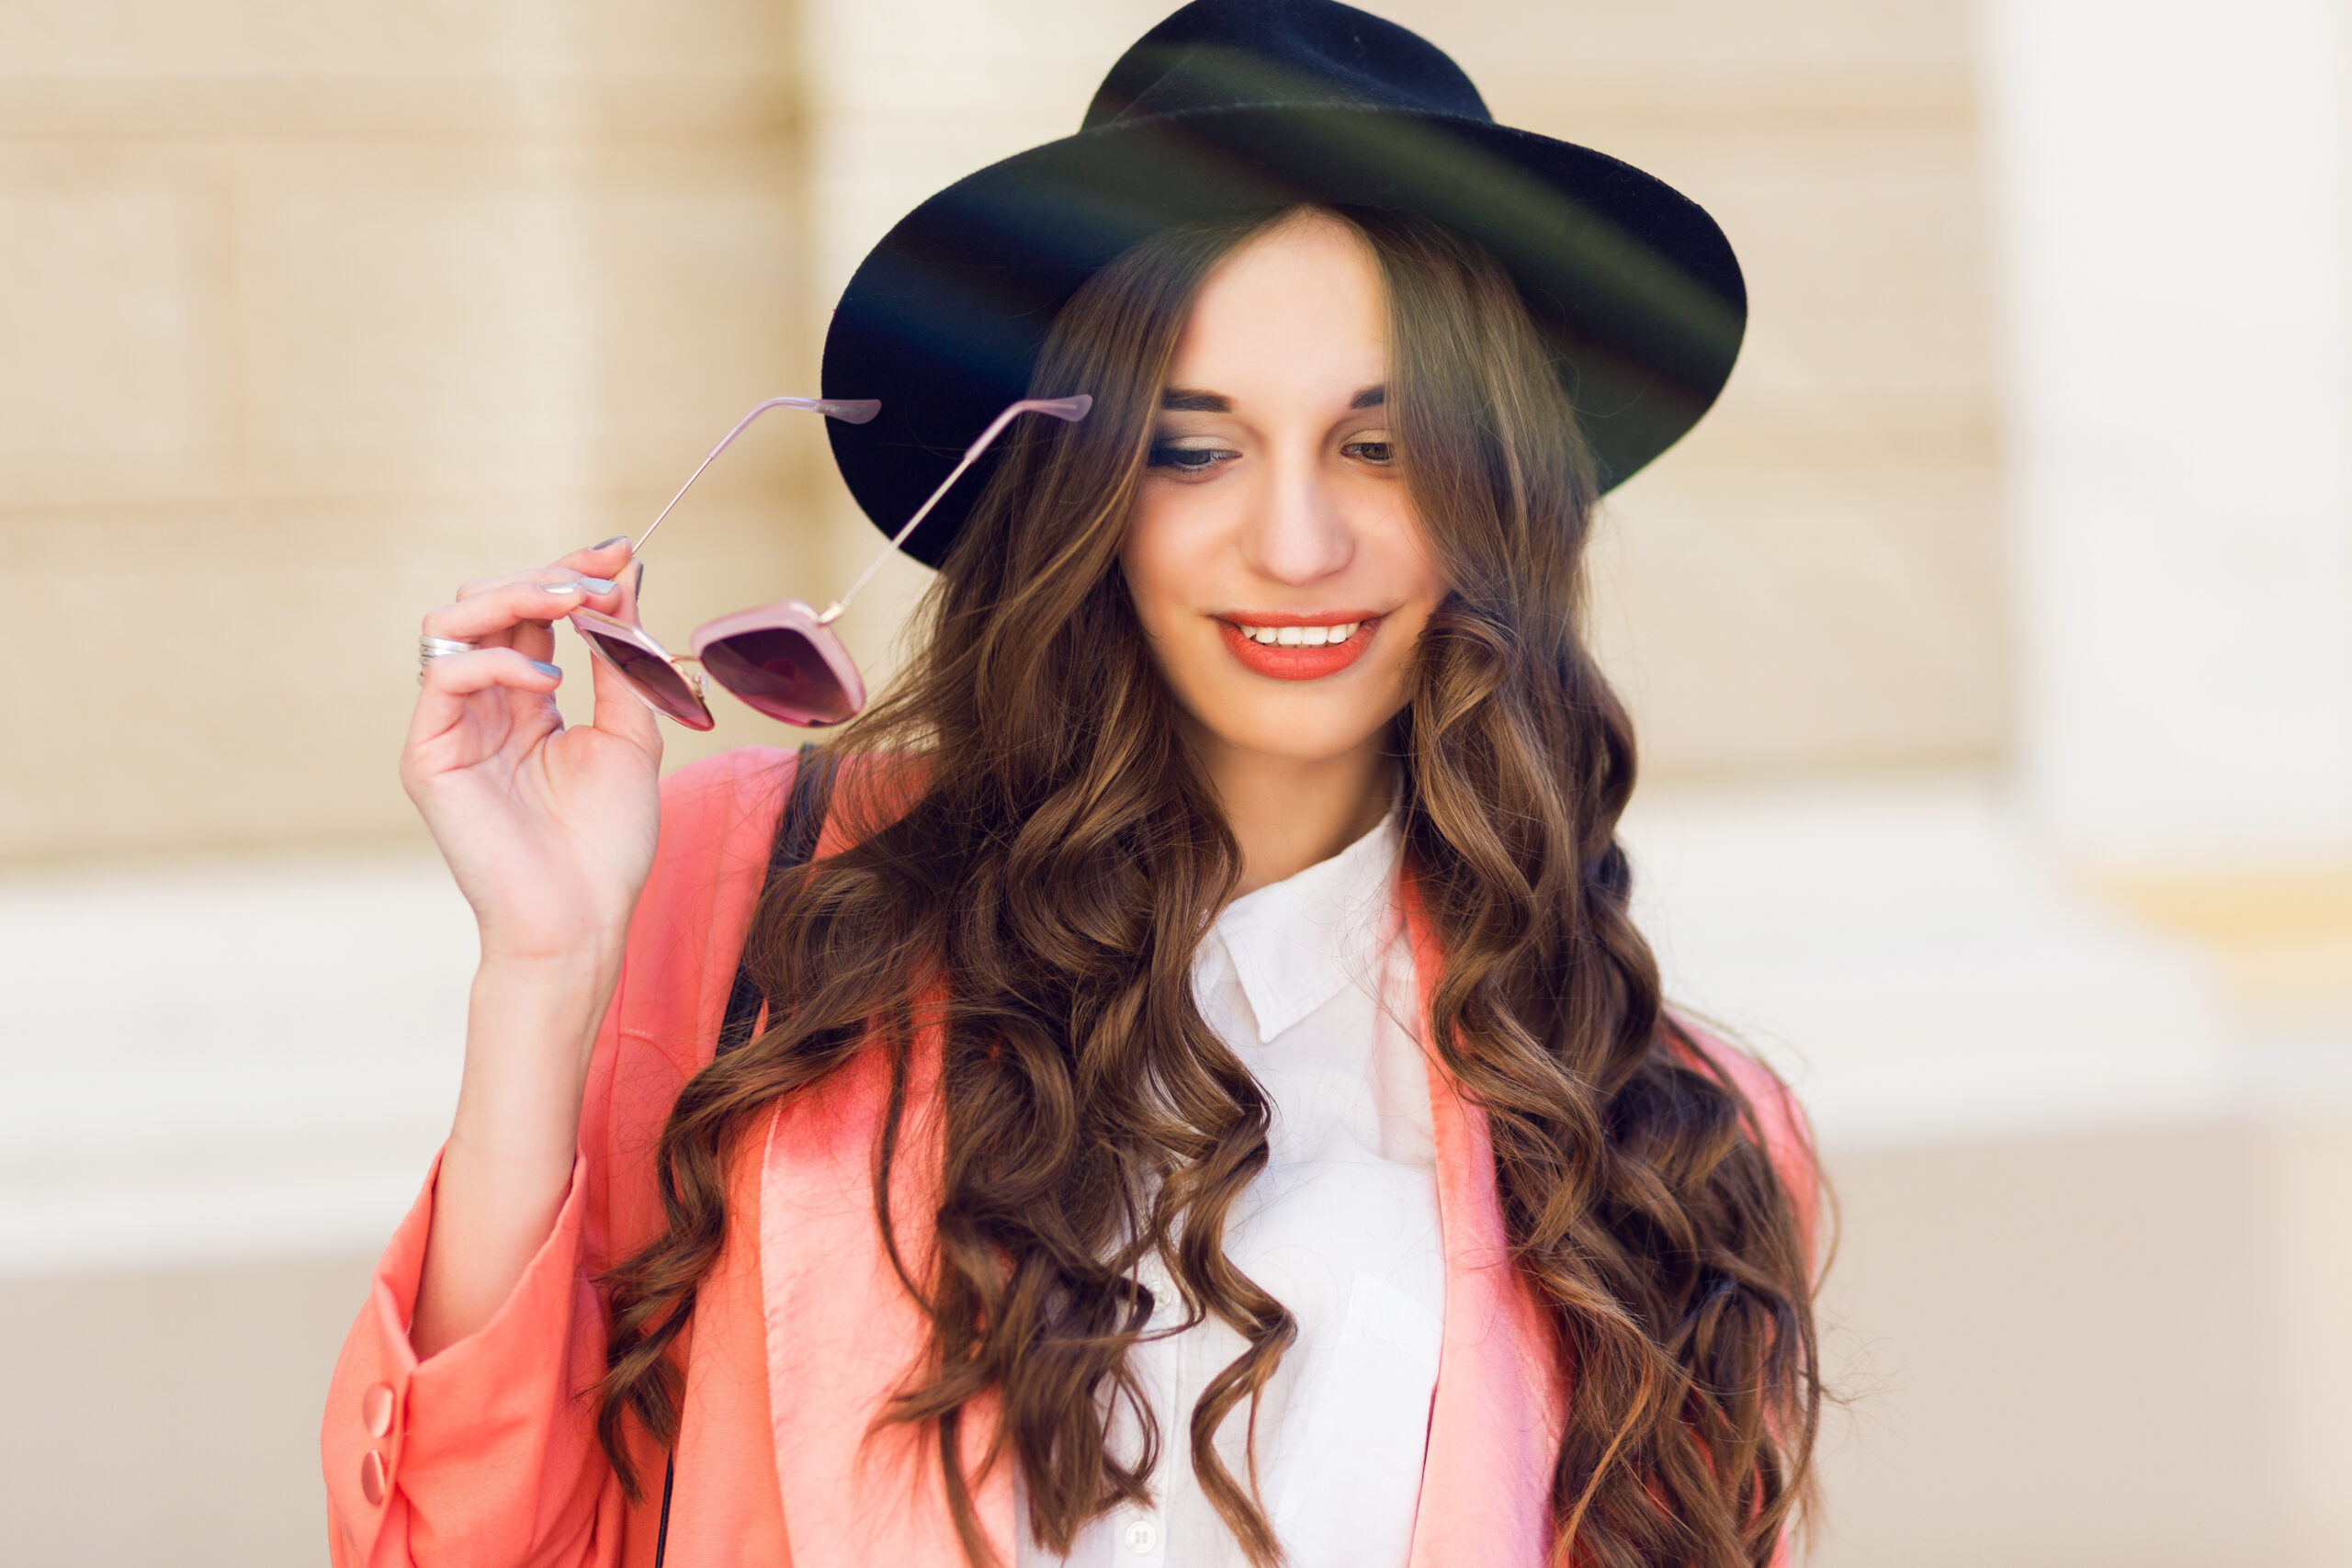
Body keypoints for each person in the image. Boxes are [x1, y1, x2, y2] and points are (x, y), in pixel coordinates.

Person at [323, 4, 1822, 1566]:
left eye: (1380, 448)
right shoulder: (766, 911)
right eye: (1194, 450)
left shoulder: (1665, 1138)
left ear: (1494, 497)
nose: (1298, 545)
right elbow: (460, 1542)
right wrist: (548, 971)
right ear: (1081, 492)